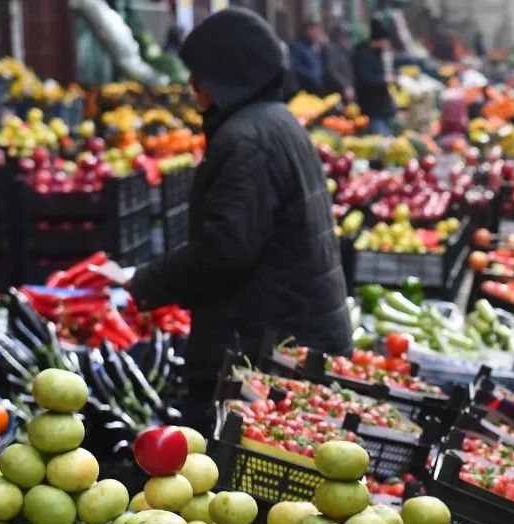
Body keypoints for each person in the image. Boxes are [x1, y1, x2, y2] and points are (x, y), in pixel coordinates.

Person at [130, 8, 351, 434]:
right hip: (288, 333)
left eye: (199, 77)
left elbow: (225, 249)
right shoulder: (276, 121)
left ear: (225, 78)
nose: (193, 87)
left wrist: (146, 283)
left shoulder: (247, 140)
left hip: (267, 346)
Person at [353, 19, 396, 134]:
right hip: (372, 109)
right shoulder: (363, 55)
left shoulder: (379, 54)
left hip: (383, 108)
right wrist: (384, 80)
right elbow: (365, 80)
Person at [291, 21, 326, 96]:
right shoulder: (298, 47)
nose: (316, 33)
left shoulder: (315, 47)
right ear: (307, 31)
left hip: (317, 88)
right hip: (303, 89)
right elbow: (295, 67)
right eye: (314, 30)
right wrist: (311, 76)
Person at [322, 25, 354, 101]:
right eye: (344, 36)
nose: (346, 39)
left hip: (348, 90)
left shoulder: (345, 50)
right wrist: (345, 86)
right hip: (336, 92)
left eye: (348, 36)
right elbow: (332, 71)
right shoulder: (330, 50)